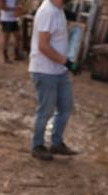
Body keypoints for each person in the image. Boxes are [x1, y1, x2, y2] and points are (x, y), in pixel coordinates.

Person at [28, 0, 80, 161]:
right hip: (45, 70)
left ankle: (56, 143)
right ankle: (37, 146)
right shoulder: (47, 12)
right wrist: (67, 62)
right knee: (46, 111)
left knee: (65, 107)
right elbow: (43, 46)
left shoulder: (58, 10)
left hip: (58, 70)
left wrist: (65, 64)